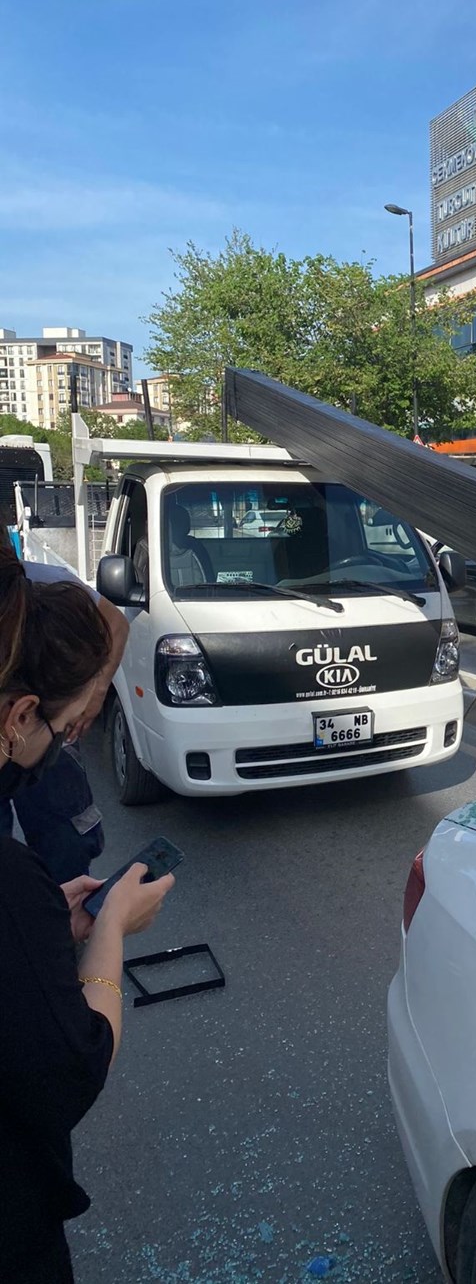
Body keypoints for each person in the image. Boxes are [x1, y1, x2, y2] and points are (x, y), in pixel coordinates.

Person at [0, 553, 174, 1281]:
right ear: (18, 715)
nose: (69, 744)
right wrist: (107, 932)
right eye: (66, 730)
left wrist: (48, 927)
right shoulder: (12, 884)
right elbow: (73, 1066)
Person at [0, 539, 129, 885]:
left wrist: (93, 693)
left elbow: (116, 624)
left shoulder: (46, 581)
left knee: (66, 843)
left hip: (38, 737)